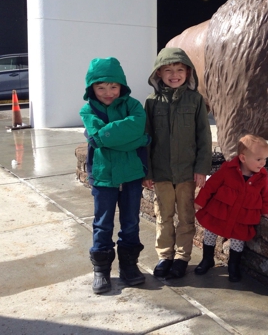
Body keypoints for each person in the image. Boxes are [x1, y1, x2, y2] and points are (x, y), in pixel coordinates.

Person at [80, 57, 151, 294]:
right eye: (101, 87)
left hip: (130, 175)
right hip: (103, 176)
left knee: (131, 222)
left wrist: (109, 139)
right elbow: (96, 137)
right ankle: (101, 269)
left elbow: (134, 126)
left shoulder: (133, 106)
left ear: (122, 86)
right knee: (102, 224)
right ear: (92, 88)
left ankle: (129, 266)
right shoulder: (87, 109)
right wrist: (138, 140)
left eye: (113, 86)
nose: (108, 92)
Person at [143, 47, 212, 279]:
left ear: (188, 73)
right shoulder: (152, 103)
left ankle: (182, 257)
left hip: (186, 173)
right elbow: (147, 139)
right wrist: (148, 171)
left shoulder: (195, 101)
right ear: (158, 74)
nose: (174, 74)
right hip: (161, 173)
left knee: (185, 216)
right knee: (163, 216)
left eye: (179, 69)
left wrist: (201, 168)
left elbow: (204, 136)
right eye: (168, 70)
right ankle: (165, 256)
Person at [194, 134, 268, 282]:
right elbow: (211, 185)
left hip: (242, 216)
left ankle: (233, 265)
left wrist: (265, 210)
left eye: (265, 159)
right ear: (243, 158)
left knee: (238, 239)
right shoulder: (228, 170)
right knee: (211, 233)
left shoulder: (261, 176)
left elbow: (265, 195)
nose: (263, 163)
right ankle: (207, 259)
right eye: (259, 159)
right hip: (220, 212)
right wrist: (200, 201)